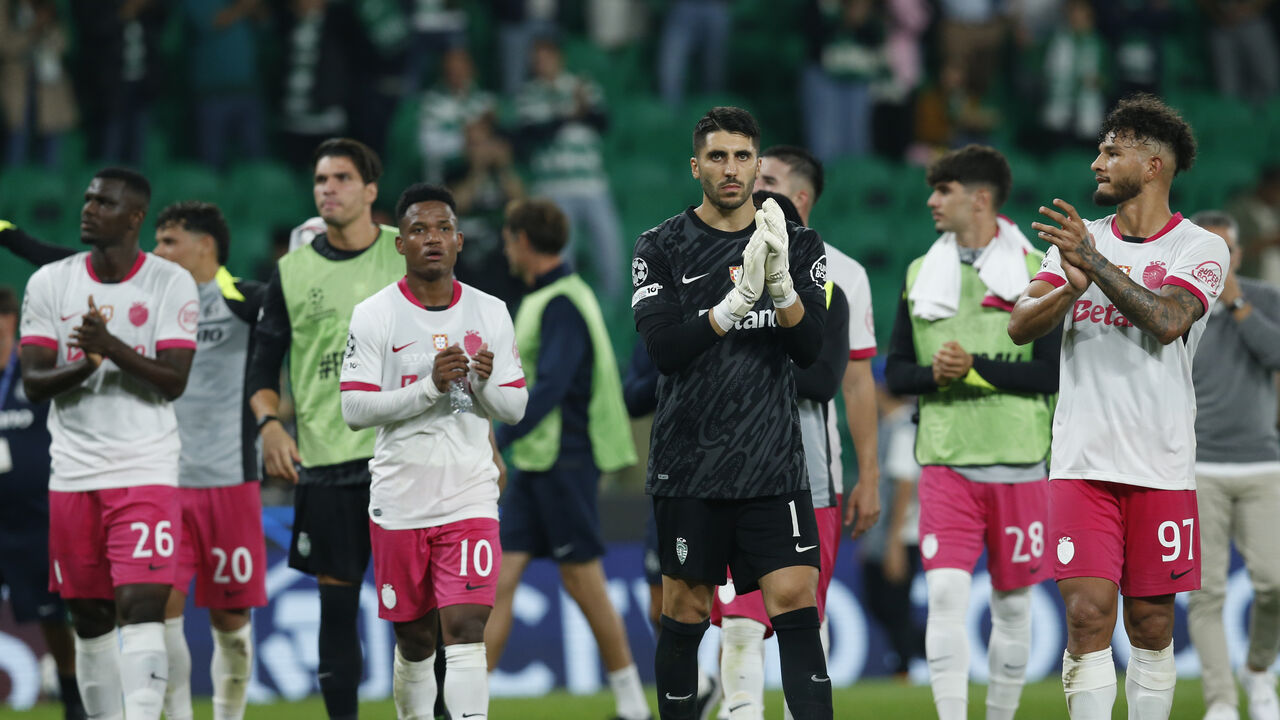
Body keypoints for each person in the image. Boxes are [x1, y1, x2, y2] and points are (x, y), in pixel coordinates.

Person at [1008, 93, 1230, 719]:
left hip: (1160, 463)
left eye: (1111, 151)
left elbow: (1166, 320)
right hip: (1082, 463)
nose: (1096, 164)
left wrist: (1095, 264)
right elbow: (1022, 325)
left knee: (1153, 625)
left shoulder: (1200, 247)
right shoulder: (1077, 245)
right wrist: (1070, 284)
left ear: (1154, 163)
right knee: (1085, 617)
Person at [2, 201, 268, 720]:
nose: (157, 252)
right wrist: (10, 233)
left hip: (230, 483)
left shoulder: (245, 302)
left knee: (231, 629)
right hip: (159, 482)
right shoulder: (143, 293)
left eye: (169, 242)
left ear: (205, 246)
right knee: (158, 620)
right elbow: (59, 258)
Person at [632, 106, 831, 720]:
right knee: (685, 612)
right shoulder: (660, 246)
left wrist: (781, 290)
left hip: (773, 464)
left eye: (743, 156)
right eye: (717, 156)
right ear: (696, 166)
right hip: (690, 465)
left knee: (797, 602)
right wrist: (735, 302)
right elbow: (664, 351)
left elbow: (809, 350)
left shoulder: (796, 244)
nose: (731, 168)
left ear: (757, 164)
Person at [340, 183, 528, 720]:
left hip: (469, 493)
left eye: (443, 229)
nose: (432, 239)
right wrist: (429, 387)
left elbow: (513, 408)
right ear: (400, 244)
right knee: (416, 642)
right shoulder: (374, 314)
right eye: (419, 230)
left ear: (460, 241)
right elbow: (354, 410)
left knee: (467, 631)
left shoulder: (490, 310)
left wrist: (484, 385)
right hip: (400, 498)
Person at [19, 167, 199, 720]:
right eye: (89, 197)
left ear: (134, 217)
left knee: (141, 607)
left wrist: (111, 345)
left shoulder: (170, 283)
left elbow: (173, 381)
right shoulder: (51, 282)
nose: (88, 207)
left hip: (144, 469)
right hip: (73, 474)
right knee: (90, 619)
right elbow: (34, 381)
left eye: (104, 201)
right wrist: (86, 362)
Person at [887, 145, 1059, 720]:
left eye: (945, 190)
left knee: (1012, 605)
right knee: (944, 597)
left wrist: (975, 370)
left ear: (979, 199)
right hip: (945, 461)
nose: (932, 201)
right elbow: (897, 371)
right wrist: (934, 375)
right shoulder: (918, 273)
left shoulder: (1041, 272)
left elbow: (1050, 372)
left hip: (1019, 460)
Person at [246, 137, 404, 720]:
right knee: (336, 611)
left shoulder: (406, 252)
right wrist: (268, 425)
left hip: (401, 456)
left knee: (422, 618)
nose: (328, 189)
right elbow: (263, 370)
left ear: (369, 191)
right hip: (326, 464)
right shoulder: (291, 271)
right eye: (320, 180)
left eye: (341, 178)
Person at [484, 197, 651, 720]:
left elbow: (552, 386)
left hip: (566, 459)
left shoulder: (560, 302)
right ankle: (467, 705)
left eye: (509, 239)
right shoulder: (556, 297)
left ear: (523, 241)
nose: (506, 250)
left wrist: (500, 441)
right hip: (540, 463)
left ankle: (632, 704)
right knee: (501, 580)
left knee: (583, 581)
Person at [706, 189, 856, 720]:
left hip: (809, 476)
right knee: (741, 622)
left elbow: (822, 378)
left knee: (803, 617)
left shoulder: (829, 296)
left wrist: (746, 364)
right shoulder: (718, 295)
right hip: (733, 476)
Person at [1185, 210, 1280, 720]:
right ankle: (1221, 700)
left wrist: (1236, 302)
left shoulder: (1265, 299)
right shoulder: (1177, 308)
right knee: (1206, 594)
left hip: (1262, 462)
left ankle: (1259, 671)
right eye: (1207, 252)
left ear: (1239, 256)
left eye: (1225, 252)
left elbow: (1277, 354)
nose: (1217, 263)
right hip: (1198, 466)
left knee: (1275, 582)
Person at [622, 342, 721, 720]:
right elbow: (632, 397)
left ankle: (734, 696)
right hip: (671, 473)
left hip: (727, 471)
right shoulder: (655, 323)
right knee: (659, 606)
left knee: (731, 603)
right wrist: (674, 362)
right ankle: (697, 685)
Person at [0, 283, 84, 720]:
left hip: (39, 518)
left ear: (10, 324)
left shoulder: (37, 373)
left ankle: (74, 699)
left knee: (55, 618)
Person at [515, 34, 625, 299]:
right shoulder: (529, 94)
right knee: (561, 259)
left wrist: (581, 111)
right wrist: (571, 115)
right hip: (553, 189)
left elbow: (602, 122)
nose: (542, 64)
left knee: (612, 252)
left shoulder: (582, 86)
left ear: (559, 58)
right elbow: (533, 134)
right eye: (537, 60)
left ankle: (615, 309)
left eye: (547, 57)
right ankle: (565, 310)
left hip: (592, 184)